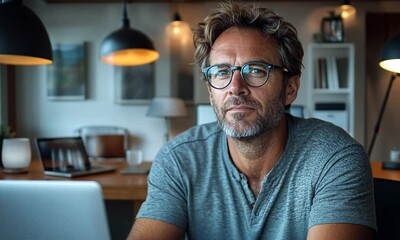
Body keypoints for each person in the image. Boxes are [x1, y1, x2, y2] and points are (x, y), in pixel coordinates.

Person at [128, 2, 376, 239]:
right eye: (222, 72)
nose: (235, 88)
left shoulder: (334, 158)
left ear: (290, 88)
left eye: (256, 70)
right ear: (210, 90)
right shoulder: (179, 159)